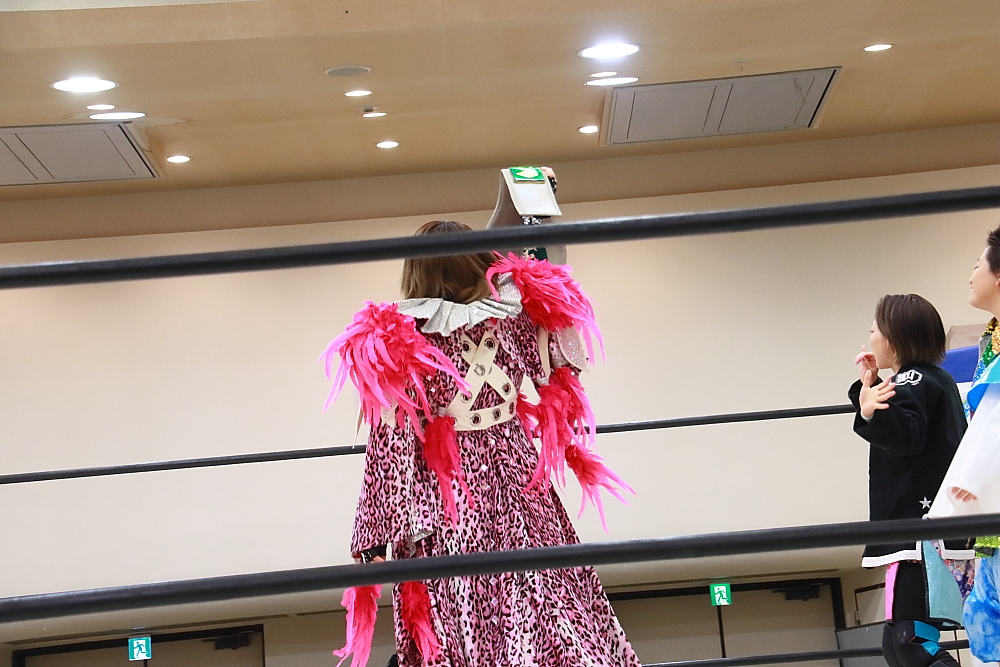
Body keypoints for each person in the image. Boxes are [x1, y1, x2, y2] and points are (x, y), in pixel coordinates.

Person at [321, 219, 638, 667]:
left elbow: (390, 450)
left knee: (463, 610)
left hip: (448, 497)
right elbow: (566, 363)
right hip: (517, 480)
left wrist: (373, 539)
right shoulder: (516, 319)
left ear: (416, 271)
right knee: (544, 597)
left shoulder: (397, 340)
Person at [848, 294, 973, 667]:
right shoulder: (930, 379)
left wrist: (870, 412)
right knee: (897, 645)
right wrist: (872, 387)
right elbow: (910, 424)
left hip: (921, 535)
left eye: (875, 330)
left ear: (894, 338)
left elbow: (906, 436)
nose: (870, 337)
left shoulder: (914, 379)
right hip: (925, 533)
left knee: (911, 642)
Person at [928, 224, 1000, 664]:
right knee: (982, 620)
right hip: (990, 521)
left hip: (990, 493)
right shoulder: (990, 340)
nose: (971, 275)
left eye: (977, 265)